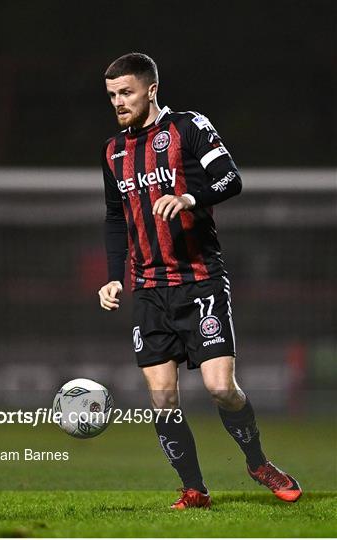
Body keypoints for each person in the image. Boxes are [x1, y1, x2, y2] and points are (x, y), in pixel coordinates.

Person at [98, 52, 301, 509]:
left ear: (151, 89)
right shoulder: (113, 151)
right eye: (112, 95)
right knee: (162, 398)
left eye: (126, 92)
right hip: (149, 289)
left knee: (220, 389)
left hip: (200, 281)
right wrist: (114, 278)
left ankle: (258, 462)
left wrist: (189, 197)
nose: (118, 102)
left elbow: (231, 179)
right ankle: (194, 489)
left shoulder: (188, 127)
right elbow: (115, 217)